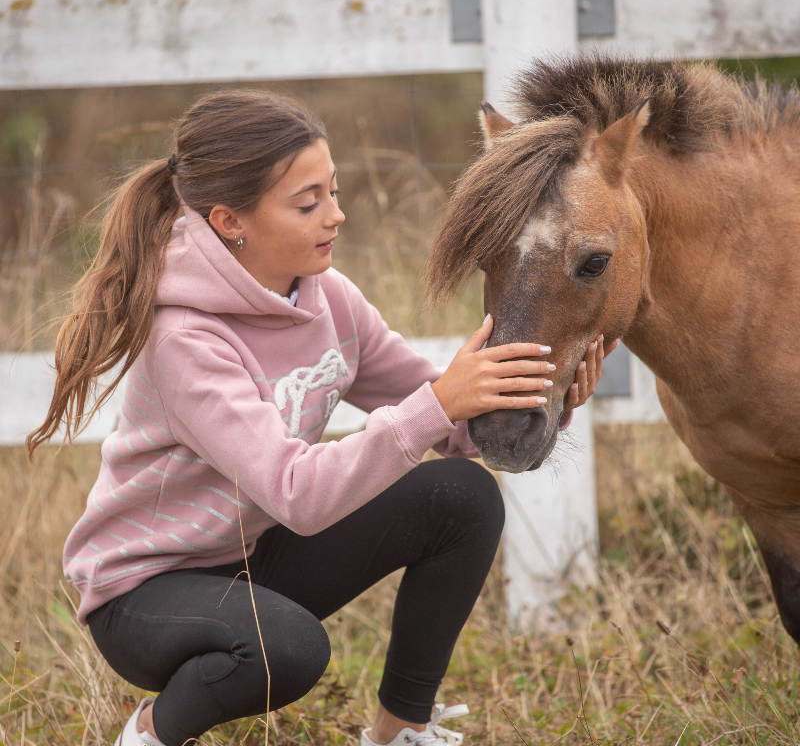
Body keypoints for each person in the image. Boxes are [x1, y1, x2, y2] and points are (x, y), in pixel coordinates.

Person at [27, 90, 613, 746]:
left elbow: (447, 426)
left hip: (250, 552)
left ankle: (400, 733)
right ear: (229, 221)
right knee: (290, 651)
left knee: (463, 497)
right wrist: (439, 401)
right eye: (308, 203)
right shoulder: (184, 340)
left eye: (333, 191)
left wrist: (541, 402)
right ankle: (149, 736)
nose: (335, 215)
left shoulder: (328, 297)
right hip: (145, 593)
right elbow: (298, 494)